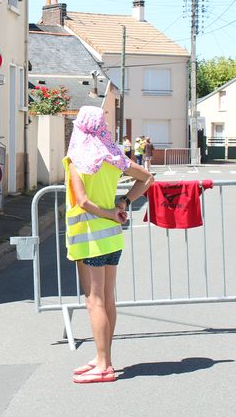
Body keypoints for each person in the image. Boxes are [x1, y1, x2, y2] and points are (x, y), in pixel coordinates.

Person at [63, 106, 153, 384]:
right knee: (108, 300)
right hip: (112, 236)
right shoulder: (114, 156)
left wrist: (108, 213)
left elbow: (83, 202)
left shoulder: (77, 158)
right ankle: (104, 356)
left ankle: (103, 364)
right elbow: (147, 178)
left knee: (94, 301)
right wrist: (123, 204)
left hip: (89, 237)